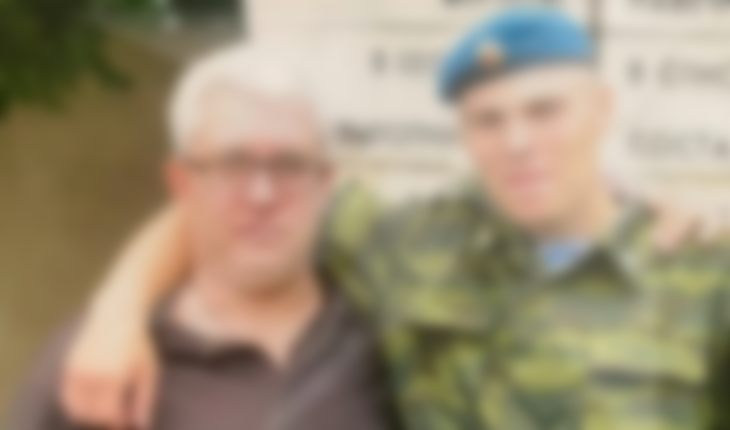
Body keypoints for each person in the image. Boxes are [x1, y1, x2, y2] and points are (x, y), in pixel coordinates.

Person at [57, 6, 730, 430]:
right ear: (464, 135)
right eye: (488, 120)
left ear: (602, 109)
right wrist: (118, 312)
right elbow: (239, 204)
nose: (518, 142)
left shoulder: (701, 275)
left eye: (545, 110)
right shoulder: (410, 242)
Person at [10, 47, 394, 430]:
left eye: (289, 165)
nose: (262, 195)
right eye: (233, 164)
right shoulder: (94, 367)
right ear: (182, 183)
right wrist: (119, 309)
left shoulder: (387, 334)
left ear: (325, 183)